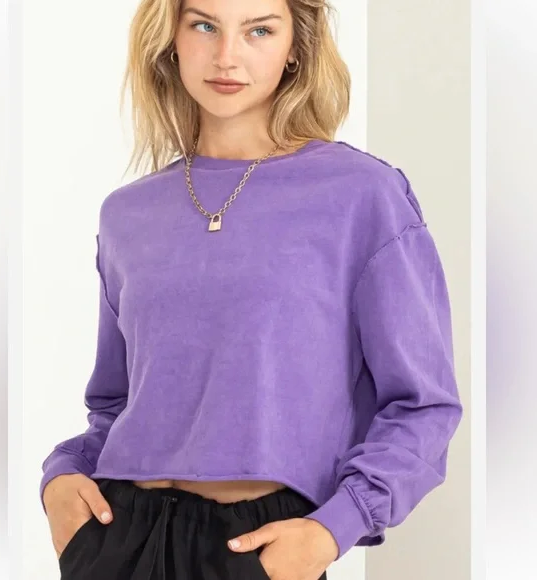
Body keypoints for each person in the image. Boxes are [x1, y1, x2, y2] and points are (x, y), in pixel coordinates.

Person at [40, 0, 463, 579]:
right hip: (119, 535)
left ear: (295, 47)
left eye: (259, 30)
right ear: (171, 39)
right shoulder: (128, 214)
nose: (226, 56)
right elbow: (116, 403)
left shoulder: (361, 195)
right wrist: (61, 476)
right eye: (204, 25)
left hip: (256, 545)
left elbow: (423, 403)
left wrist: (333, 528)